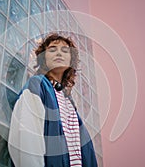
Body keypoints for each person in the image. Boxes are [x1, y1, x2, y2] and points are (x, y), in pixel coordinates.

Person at [8, 33, 97, 167]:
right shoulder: (36, 86)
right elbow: (27, 140)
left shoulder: (69, 104)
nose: (59, 53)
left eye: (65, 50)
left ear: (70, 60)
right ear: (43, 58)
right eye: (52, 49)